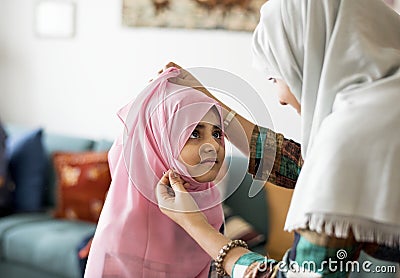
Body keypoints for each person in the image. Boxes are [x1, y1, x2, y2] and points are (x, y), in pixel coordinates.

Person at [156, 0, 400, 277]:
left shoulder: (352, 138)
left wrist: (195, 225)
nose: (280, 100)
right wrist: (211, 104)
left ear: (309, 60)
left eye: (274, 77)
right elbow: (302, 166)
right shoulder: (385, 115)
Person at [84, 67, 227, 277]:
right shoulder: (128, 229)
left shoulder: (209, 199)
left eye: (217, 133)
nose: (213, 146)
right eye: (194, 133)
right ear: (161, 142)